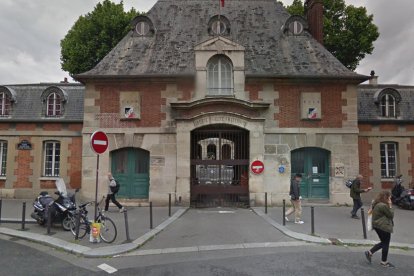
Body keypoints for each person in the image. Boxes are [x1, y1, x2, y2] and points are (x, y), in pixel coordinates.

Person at [364, 191, 395, 268]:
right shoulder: (383, 205)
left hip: (377, 226)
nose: (390, 199)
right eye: (389, 197)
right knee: (386, 244)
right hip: (383, 226)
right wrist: (390, 205)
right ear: (386, 197)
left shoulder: (376, 203)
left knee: (383, 242)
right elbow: (391, 215)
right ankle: (384, 262)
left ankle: (370, 252)